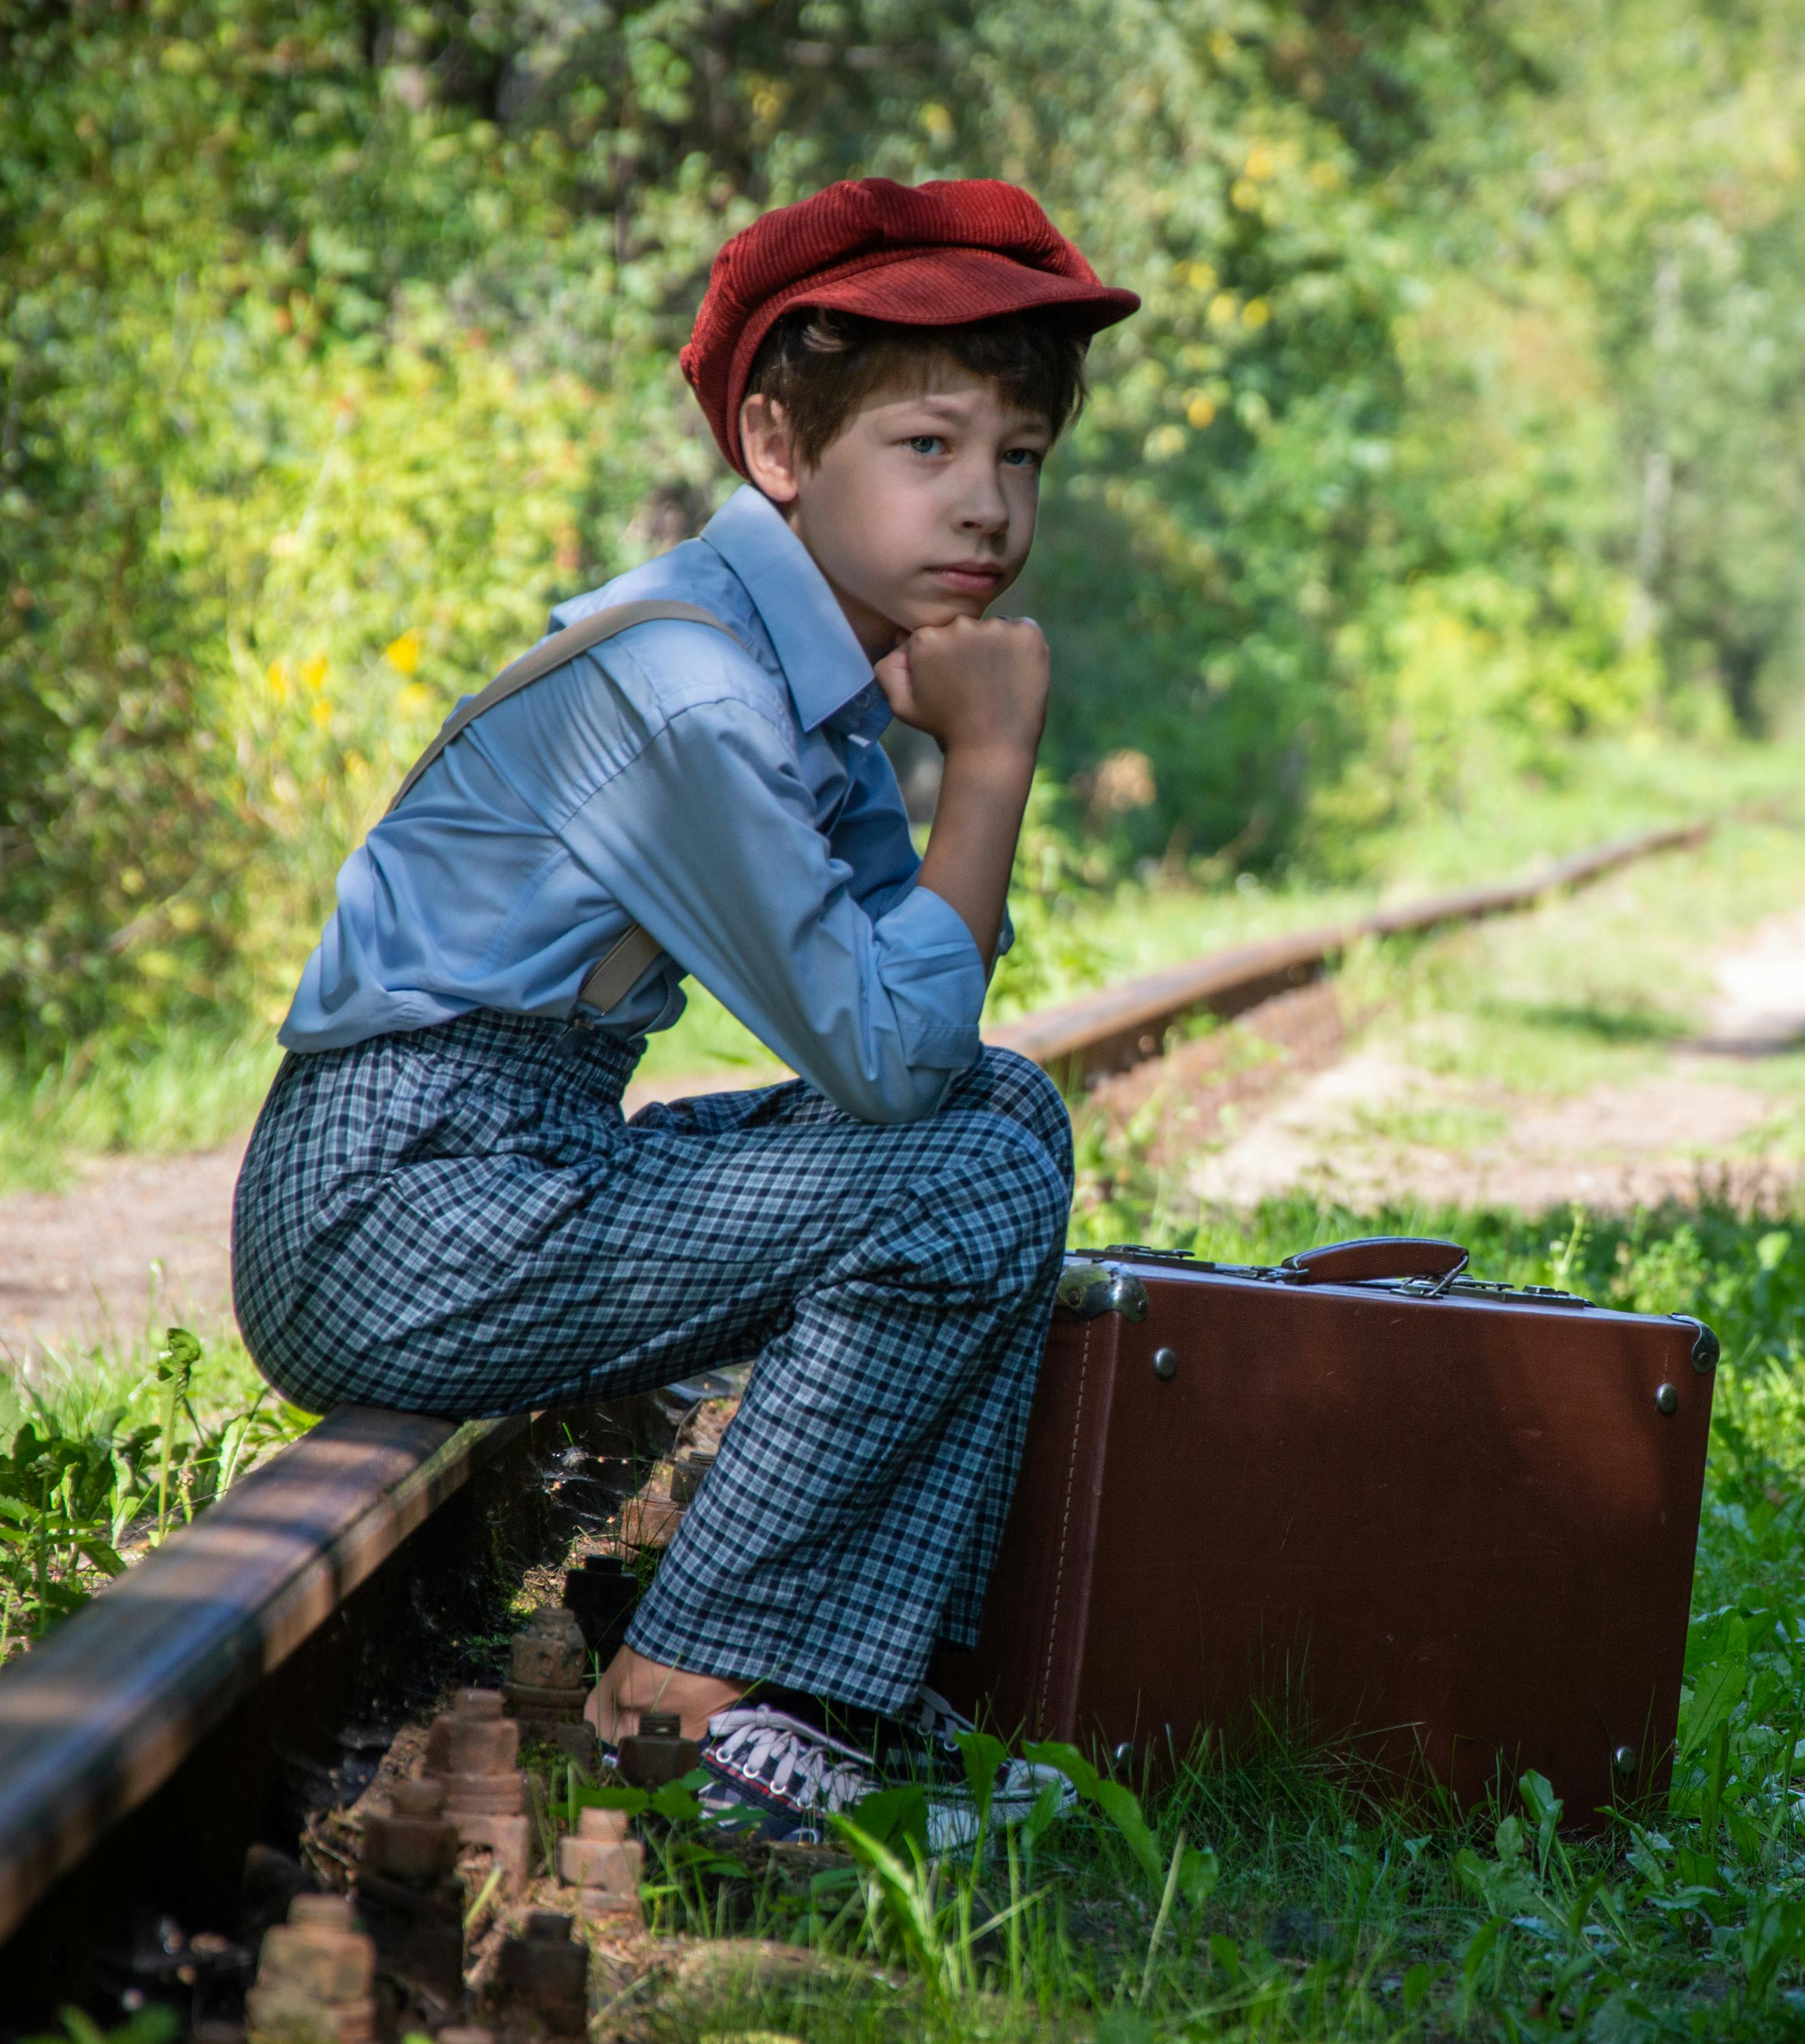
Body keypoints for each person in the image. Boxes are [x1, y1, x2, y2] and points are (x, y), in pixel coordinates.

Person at [230, 179, 1139, 1839]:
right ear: (782, 448)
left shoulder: (798, 677)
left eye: (1020, 458)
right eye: (928, 448)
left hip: (504, 1166)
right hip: (387, 1206)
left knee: (1007, 1119)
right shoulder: (695, 690)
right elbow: (878, 1058)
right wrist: (992, 762)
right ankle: (696, 1699)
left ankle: (832, 1688)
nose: (990, 508)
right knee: (966, 1165)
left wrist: (938, 760)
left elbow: (919, 1035)